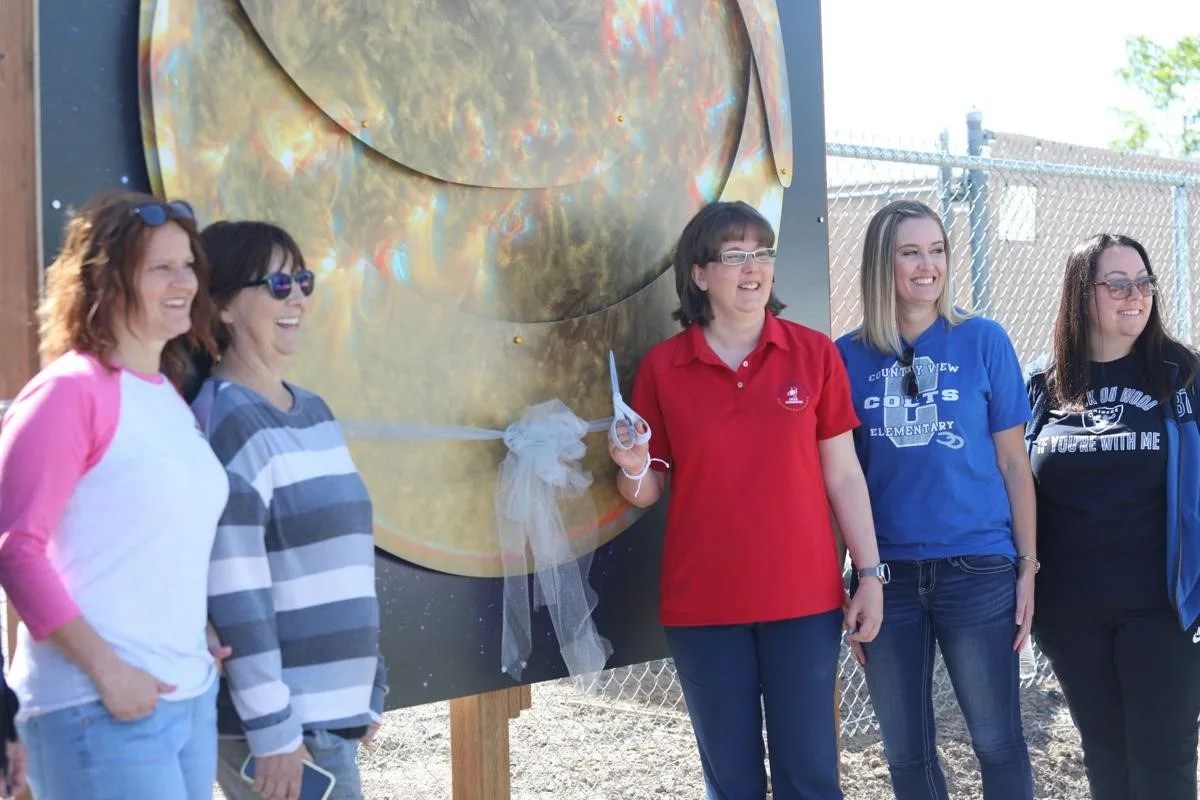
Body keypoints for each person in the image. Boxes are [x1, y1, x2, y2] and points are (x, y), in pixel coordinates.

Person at [608, 200, 884, 800]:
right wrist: (631, 466)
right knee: (730, 783)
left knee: (809, 777)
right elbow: (646, 490)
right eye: (734, 256)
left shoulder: (813, 355)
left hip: (803, 602)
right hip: (703, 606)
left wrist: (869, 574)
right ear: (700, 275)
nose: (753, 268)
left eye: (762, 253)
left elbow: (843, 475)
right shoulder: (663, 368)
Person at [0, 189, 229, 799]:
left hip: (186, 701)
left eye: (188, 266)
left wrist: (196, 630)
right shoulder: (68, 393)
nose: (184, 282)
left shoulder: (166, 396)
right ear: (106, 279)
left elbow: (150, 541)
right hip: (96, 707)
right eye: (161, 267)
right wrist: (108, 672)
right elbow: (16, 550)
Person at [835, 199, 1036, 799]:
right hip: (886, 577)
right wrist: (847, 578)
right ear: (881, 264)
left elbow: (1012, 463)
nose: (928, 266)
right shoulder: (846, 357)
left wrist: (1028, 566)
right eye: (910, 253)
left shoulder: (983, 341)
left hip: (978, 568)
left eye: (938, 250)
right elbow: (840, 478)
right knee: (906, 754)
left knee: (997, 740)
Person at [191, 221, 387, 800]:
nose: (297, 296)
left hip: (329, 724)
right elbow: (236, 596)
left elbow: (347, 566)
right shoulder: (226, 422)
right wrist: (274, 732)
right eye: (277, 284)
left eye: (302, 280)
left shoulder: (316, 412)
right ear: (223, 305)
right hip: (281, 734)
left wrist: (369, 686)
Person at [1027, 233, 1200, 799]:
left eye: (1144, 282)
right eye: (1118, 284)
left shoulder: (1183, 378)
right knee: (1105, 756)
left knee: (1164, 761)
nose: (1136, 295)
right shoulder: (1043, 388)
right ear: (1082, 294)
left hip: (1162, 609)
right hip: (1070, 614)